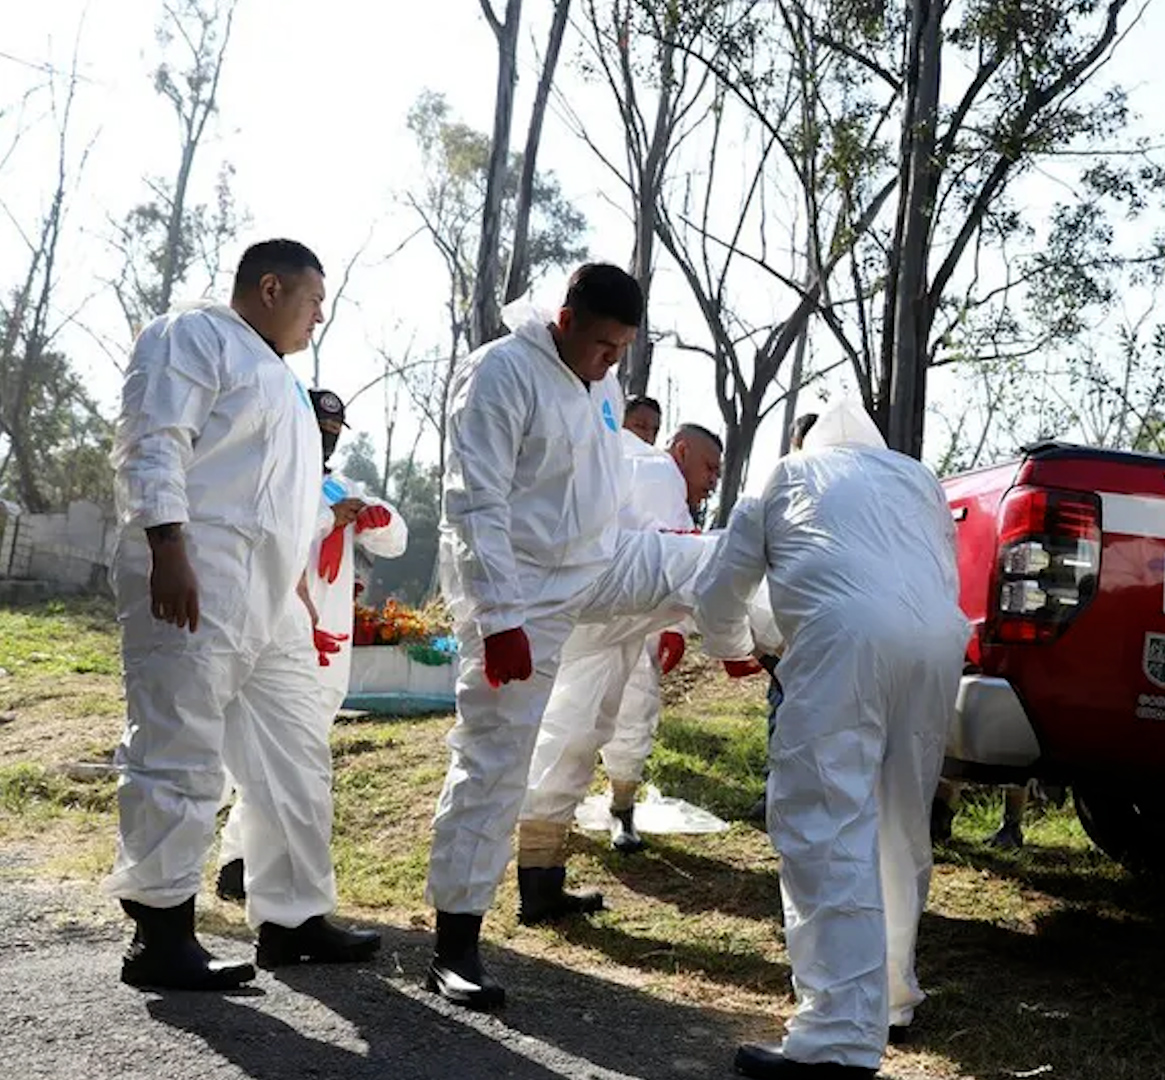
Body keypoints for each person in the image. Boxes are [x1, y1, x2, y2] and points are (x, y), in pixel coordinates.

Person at [426, 263, 715, 1009]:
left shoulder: (603, 384)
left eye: (621, 349)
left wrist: (698, 615)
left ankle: (759, 635)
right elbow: (476, 505)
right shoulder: (498, 374)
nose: (608, 361)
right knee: (496, 757)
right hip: (519, 588)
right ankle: (454, 943)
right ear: (564, 318)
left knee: (708, 564)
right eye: (599, 344)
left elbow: (603, 488)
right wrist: (499, 621)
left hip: (599, 561)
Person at [106, 239, 381, 989]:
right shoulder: (190, 334)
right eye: (314, 301)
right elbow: (152, 441)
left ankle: (292, 921)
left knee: (296, 753)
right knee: (178, 747)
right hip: (196, 570)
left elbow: (282, 496)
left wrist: (292, 577)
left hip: (270, 598)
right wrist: (167, 544)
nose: (319, 318)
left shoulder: (285, 383)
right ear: (269, 287)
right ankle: (160, 935)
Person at [697, 398, 968, 1080]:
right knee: (902, 824)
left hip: (845, 640)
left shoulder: (787, 475)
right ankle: (890, 1000)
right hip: (937, 643)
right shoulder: (916, 477)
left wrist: (736, 648)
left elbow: (721, 589)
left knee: (826, 823)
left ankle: (836, 1040)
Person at [214, 388, 409, 903]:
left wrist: (375, 517)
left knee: (297, 761)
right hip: (277, 633)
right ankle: (205, 867)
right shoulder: (275, 477)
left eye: (332, 434)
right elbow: (282, 534)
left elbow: (394, 539)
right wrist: (330, 518)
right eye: (317, 431)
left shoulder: (341, 486)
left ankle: (243, 864)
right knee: (244, 757)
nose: (324, 442)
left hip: (330, 641)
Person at [516, 423, 723, 906]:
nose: (712, 480)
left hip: (592, 616)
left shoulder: (626, 464)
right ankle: (542, 879)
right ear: (682, 450)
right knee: (592, 724)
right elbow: (663, 559)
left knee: (578, 728)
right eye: (709, 467)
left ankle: (543, 875)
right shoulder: (657, 473)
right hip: (607, 613)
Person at [743, 410, 817, 825]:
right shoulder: (782, 487)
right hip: (785, 632)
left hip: (820, 629)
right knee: (782, 711)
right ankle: (776, 791)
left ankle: (801, 795)